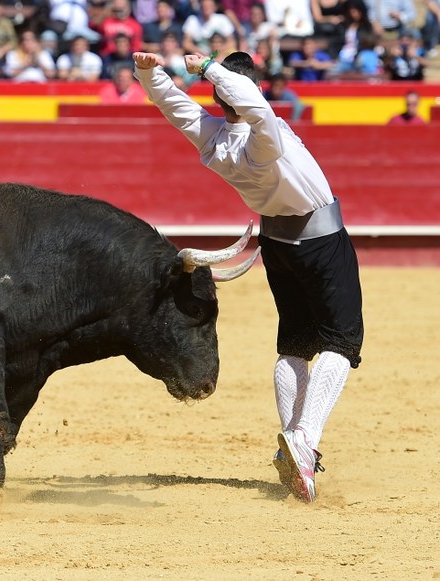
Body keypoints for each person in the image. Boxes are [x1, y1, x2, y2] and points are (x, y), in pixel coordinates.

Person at [132, 49, 364, 503]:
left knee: (295, 344)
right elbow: (255, 107)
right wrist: (208, 69)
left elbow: (174, 106)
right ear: (251, 88)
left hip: (277, 245)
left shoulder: (215, 141)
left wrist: (148, 72)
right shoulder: (265, 137)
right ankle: (304, 439)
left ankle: (293, 450)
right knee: (342, 342)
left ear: (218, 100)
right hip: (321, 242)